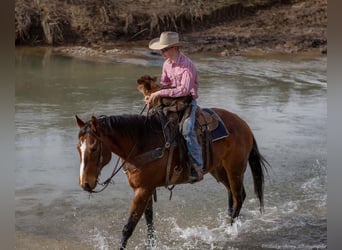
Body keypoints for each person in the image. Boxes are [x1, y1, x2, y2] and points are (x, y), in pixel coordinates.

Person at [146, 31, 203, 182]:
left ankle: (197, 165)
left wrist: (160, 94)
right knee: (151, 120)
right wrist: (152, 93)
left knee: (187, 129)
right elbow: (165, 84)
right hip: (171, 101)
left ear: (175, 48)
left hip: (187, 101)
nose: (162, 52)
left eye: (164, 49)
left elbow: (184, 90)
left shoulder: (187, 66)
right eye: (161, 49)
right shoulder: (166, 64)